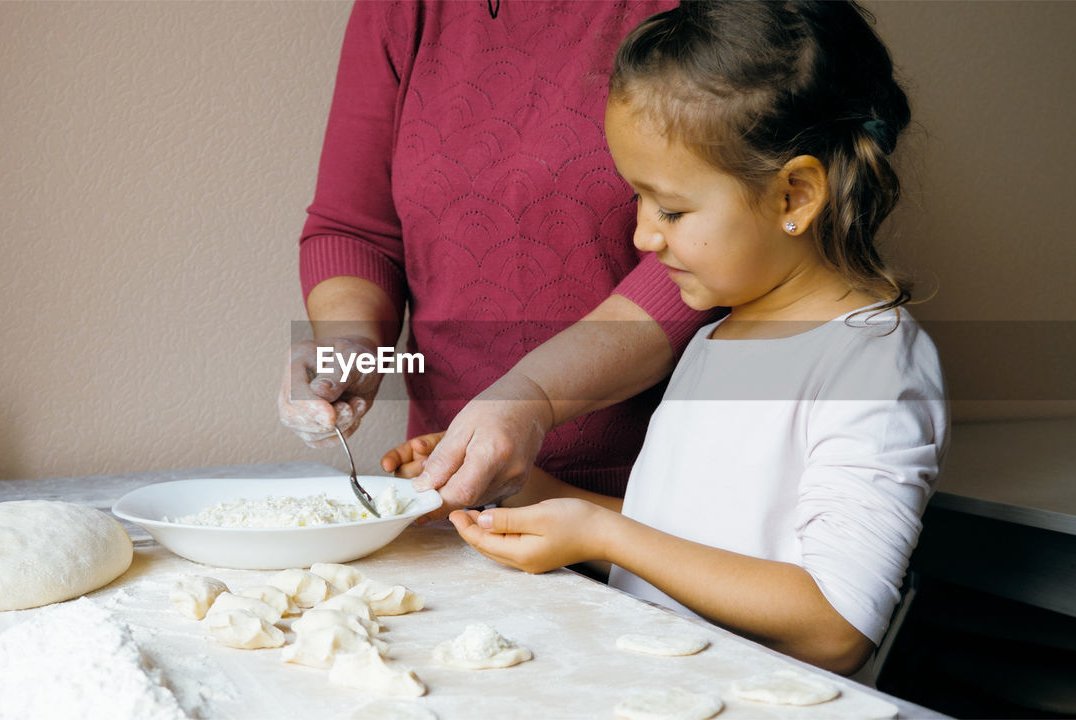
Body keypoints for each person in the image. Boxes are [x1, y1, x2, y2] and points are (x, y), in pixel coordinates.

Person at [386, 0, 948, 676]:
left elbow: (834, 626)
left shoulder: (872, 362)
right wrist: (528, 492)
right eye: (640, 202)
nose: (644, 238)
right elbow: (685, 542)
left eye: (673, 210)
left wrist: (600, 534)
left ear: (795, 195)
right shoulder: (719, 334)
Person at [278, 0, 719, 519]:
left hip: (651, 503)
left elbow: (721, 244)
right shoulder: (401, 9)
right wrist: (349, 347)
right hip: (449, 491)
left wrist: (531, 399)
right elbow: (357, 226)